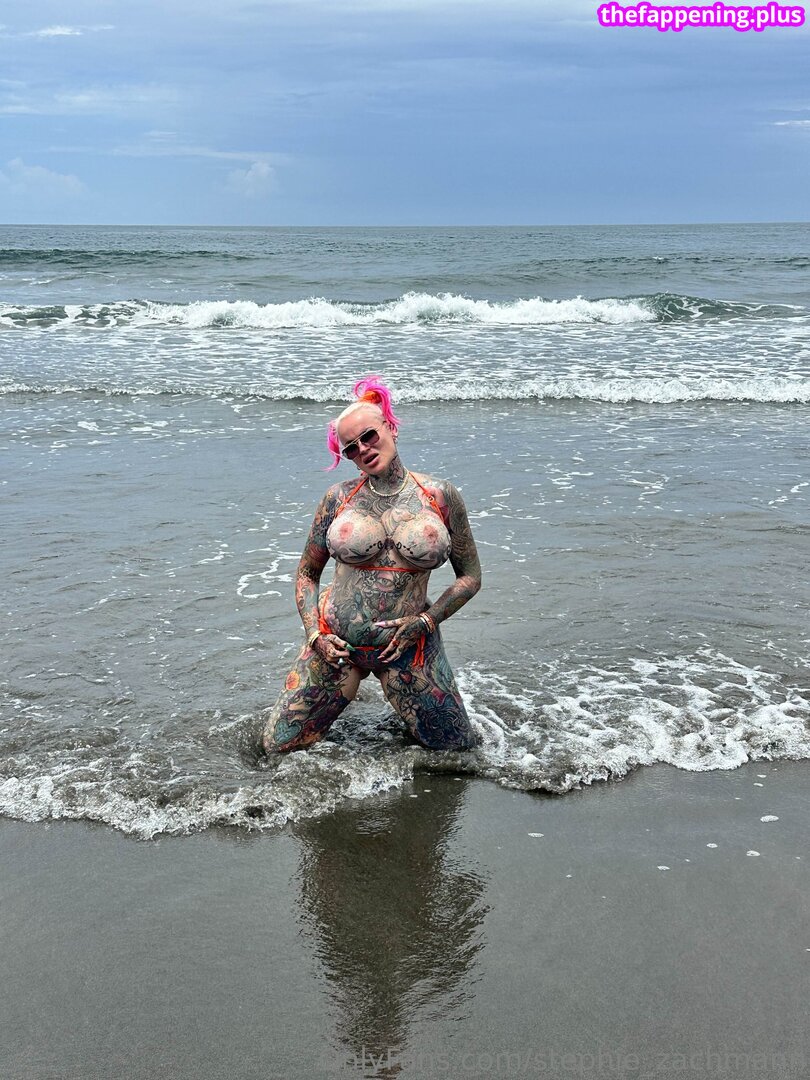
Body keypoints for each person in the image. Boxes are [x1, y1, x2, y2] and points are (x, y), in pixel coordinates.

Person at [261, 376, 481, 753]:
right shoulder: (338, 499)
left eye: (369, 436)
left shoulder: (440, 497)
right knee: (276, 747)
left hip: (407, 649)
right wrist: (315, 636)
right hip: (336, 646)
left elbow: (471, 577)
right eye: (351, 448)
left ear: (390, 427)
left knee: (458, 751)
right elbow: (307, 573)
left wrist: (426, 621)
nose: (363, 449)